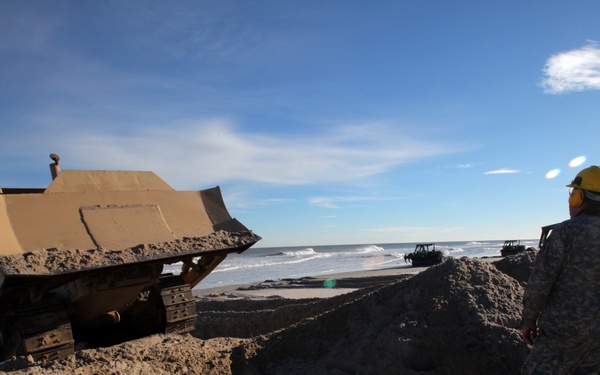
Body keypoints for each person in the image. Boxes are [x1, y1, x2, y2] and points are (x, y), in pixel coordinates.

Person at [521, 165, 600, 375]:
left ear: (578, 197)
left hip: (564, 331)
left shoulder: (565, 232)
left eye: (572, 193)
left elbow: (541, 282)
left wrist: (529, 320)